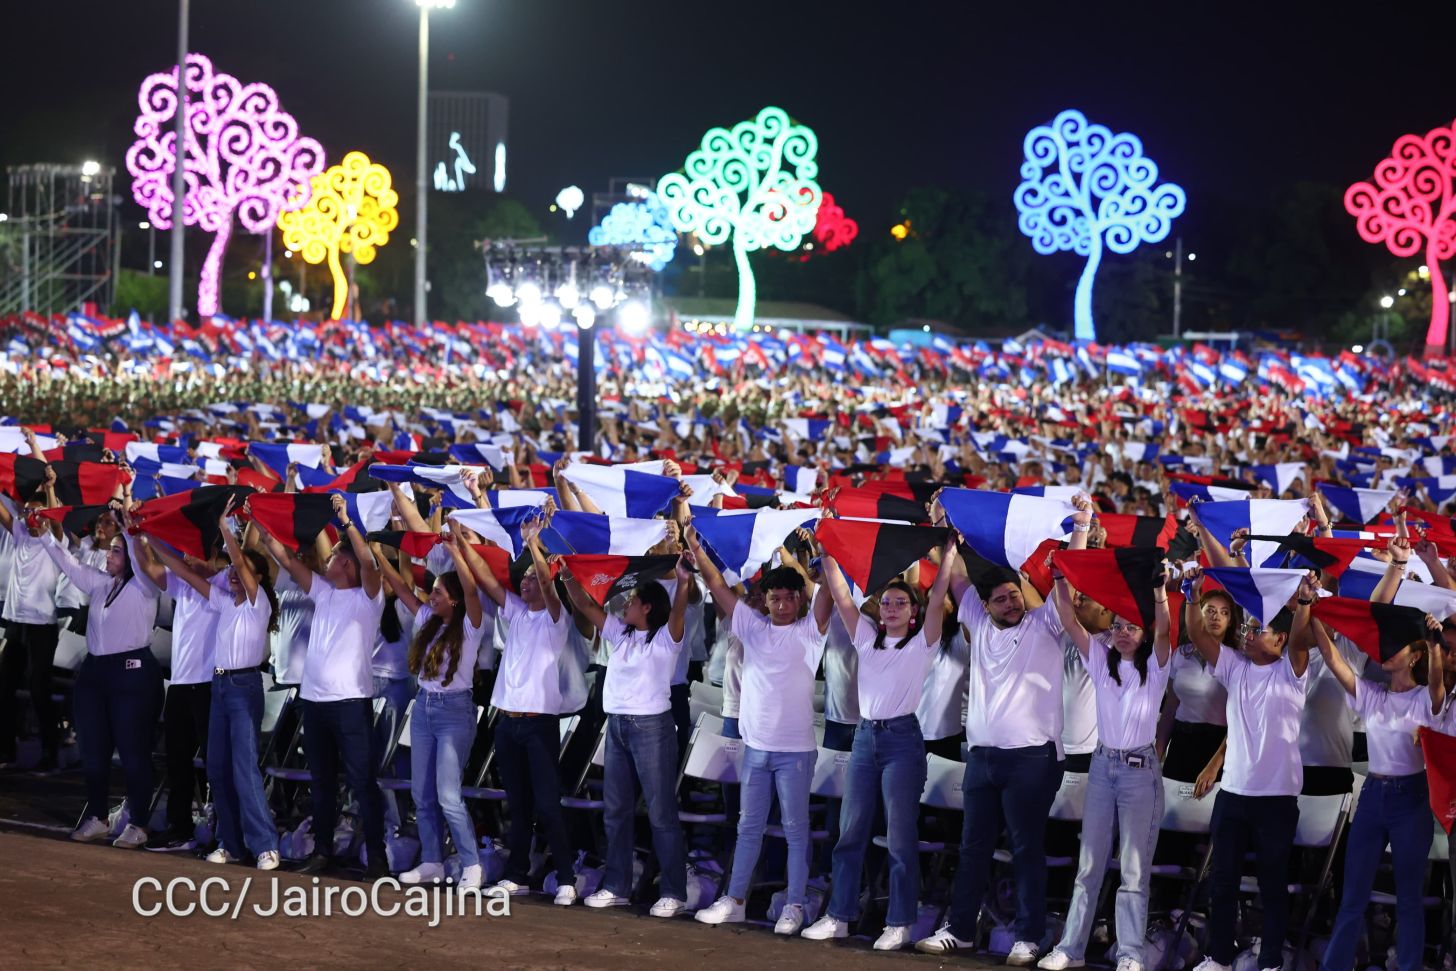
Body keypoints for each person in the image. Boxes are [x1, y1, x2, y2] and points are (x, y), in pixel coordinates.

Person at [916, 500, 1092, 964]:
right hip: (983, 757)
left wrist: (1082, 527)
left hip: (1033, 758)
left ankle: (1029, 936)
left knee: (1025, 847)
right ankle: (960, 929)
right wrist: (947, 533)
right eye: (1002, 598)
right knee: (972, 846)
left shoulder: (1046, 623)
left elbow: (1069, 587)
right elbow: (955, 578)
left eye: (1015, 595)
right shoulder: (974, 615)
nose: (1012, 602)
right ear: (985, 604)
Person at [801, 538, 959, 950]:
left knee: (900, 836)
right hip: (865, 738)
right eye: (886, 602)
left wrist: (949, 556)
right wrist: (828, 544)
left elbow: (940, 593)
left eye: (900, 603)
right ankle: (839, 916)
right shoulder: (866, 637)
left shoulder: (923, 642)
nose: (891, 607)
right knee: (849, 831)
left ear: (913, 614)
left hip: (903, 741)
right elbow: (838, 592)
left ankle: (900, 922)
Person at [691, 526, 831, 936]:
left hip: (796, 751)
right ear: (765, 601)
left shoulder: (811, 632)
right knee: (747, 827)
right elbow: (717, 584)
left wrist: (824, 548)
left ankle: (795, 905)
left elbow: (827, 593)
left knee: (795, 831)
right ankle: (734, 901)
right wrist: (699, 549)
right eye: (774, 597)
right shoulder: (751, 627)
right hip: (755, 748)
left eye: (789, 597)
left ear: (799, 599)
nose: (782, 603)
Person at [1038, 562, 1173, 971]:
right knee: (1089, 864)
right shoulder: (1099, 658)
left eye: (1130, 626)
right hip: (1102, 766)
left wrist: (1159, 593)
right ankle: (1071, 949)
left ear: (1144, 633)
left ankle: (1130, 953)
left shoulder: (1158, 665)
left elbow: (1166, 630)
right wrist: (1061, 578)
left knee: (1133, 869)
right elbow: (1067, 617)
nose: (1122, 631)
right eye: (1116, 625)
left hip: (1140, 771)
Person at [254, 493, 388, 879]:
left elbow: (367, 561)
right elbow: (287, 560)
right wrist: (262, 525)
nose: (326, 561)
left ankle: (376, 857)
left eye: (332, 558)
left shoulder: (368, 598)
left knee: (363, 783)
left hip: (350, 704)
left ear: (343, 563)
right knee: (322, 783)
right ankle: (324, 852)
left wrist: (346, 521)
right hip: (313, 702)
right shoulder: (324, 592)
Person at [1187, 576, 1314, 971]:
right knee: (1222, 883)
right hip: (1234, 793)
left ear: (1278, 640)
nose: (1246, 632)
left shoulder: (1292, 669)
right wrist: (1192, 598)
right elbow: (1195, 631)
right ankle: (1219, 957)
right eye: (1247, 627)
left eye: (1257, 629)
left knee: (1272, 886)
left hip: (1276, 798)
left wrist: (1304, 605)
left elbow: (1300, 638)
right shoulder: (1234, 666)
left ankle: (1272, 961)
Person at [149, 500, 281, 869]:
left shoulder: (259, 605)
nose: (238, 576)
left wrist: (226, 527)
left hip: (243, 688)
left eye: (246, 573)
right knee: (218, 769)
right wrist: (148, 537)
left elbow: (237, 562)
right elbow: (181, 570)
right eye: (237, 573)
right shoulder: (224, 601)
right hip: (219, 687)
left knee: (243, 768)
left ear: (257, 579)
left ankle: (266, 844)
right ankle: (230, 843)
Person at [457, 521, 578, 904]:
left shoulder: (557, 618)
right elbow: (483, 574)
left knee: (547, 804)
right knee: (518, 803)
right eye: (522, 579)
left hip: (539, 723)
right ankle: (517, 874)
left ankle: (566, 879)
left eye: (531, 578)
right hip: (507, 722)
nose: (524, 584)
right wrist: (459, 538)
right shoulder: (517, 613)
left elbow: (548, 582)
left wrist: (532, 543)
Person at [1314, 615, 1444, 971]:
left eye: (1395, 646)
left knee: (1408, 899)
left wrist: (1434, 647)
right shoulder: (1371, 694)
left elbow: (1437, 689)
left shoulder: (1424, 698)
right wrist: (1311, 609)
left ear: (1414, 656)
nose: (1383, 652)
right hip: (1372, 795)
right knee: (1352, 896)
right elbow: (1331, 657)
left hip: (1411, 799)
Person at [565, 555, 692, 918]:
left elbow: (679, 612)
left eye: (632, 601)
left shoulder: (666, 638)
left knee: (661, 812)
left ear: (647, 607)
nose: (625, 604)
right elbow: (584, 603)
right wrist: (568, 574)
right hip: (617, 725)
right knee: (616, 810)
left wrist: (682, 581)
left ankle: (674, 891)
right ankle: (616, 886)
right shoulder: (619, 633)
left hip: (653, 729)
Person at [43, 499, 163, 849]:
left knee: (132, 751)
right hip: (95, 673)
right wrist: (44, 537)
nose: (108, 556)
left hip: (133, 676)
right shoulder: (100, 584)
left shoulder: (145, 585)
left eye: (115, 551)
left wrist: (128, 527)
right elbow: (68, 563)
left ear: (130, 558)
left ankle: (139, 822)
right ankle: (97, 816)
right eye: (109, 550)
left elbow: (144, 563)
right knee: (92, 749)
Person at [380, 530, 487, 890]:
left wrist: (456, 550)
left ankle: (472, 864)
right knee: (421, 793)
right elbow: (402, 587)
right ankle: (432, 862)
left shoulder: (471, 625)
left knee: (448, 795)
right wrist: (378, 555)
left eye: (439, 592)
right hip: (423, 708)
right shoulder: (428, 620)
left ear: (453, 600)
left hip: (455, 713)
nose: (431, 595)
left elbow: (472, 590)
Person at [131, 528, 221, 852]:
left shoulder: (223, 582)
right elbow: (148, 567)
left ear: (210, 555)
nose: (185, 558)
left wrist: (151, 535)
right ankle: (180, 827)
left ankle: (224, 834)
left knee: (216, 763)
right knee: (178, 761)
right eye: (183, 553)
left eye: (191, 552)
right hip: (181, 684)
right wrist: (135, 536)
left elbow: (170, 565)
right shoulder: (181, 583)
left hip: (210, 685)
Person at [0, 487, 63, 772]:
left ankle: (51, 752)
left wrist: (49, 489)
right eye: (26, 511)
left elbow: (58, 521)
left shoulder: (55, 542)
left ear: (47, 517)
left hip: (42, 626)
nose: (29, 516)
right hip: (16, 621)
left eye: (36, 512)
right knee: (4, 687)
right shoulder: (20, 535)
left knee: (39, 689)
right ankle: (6, 750)